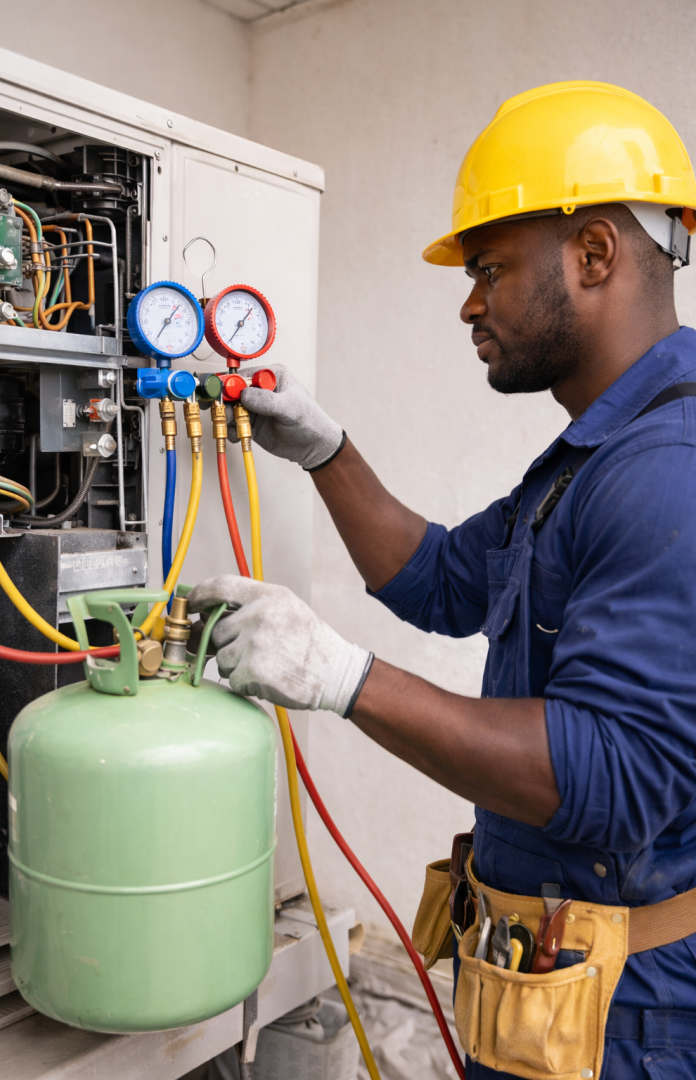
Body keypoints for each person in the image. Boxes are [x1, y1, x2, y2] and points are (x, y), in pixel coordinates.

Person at [189, 82, 696, 1079]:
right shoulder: (595, 458)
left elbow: (618, 777)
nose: (469, 303)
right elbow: (440, 580)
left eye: (490, 269)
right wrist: (326, 450)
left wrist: (340, 677)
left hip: (627, 1028)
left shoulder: (665, 471)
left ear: (594, 254)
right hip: (551, 988)